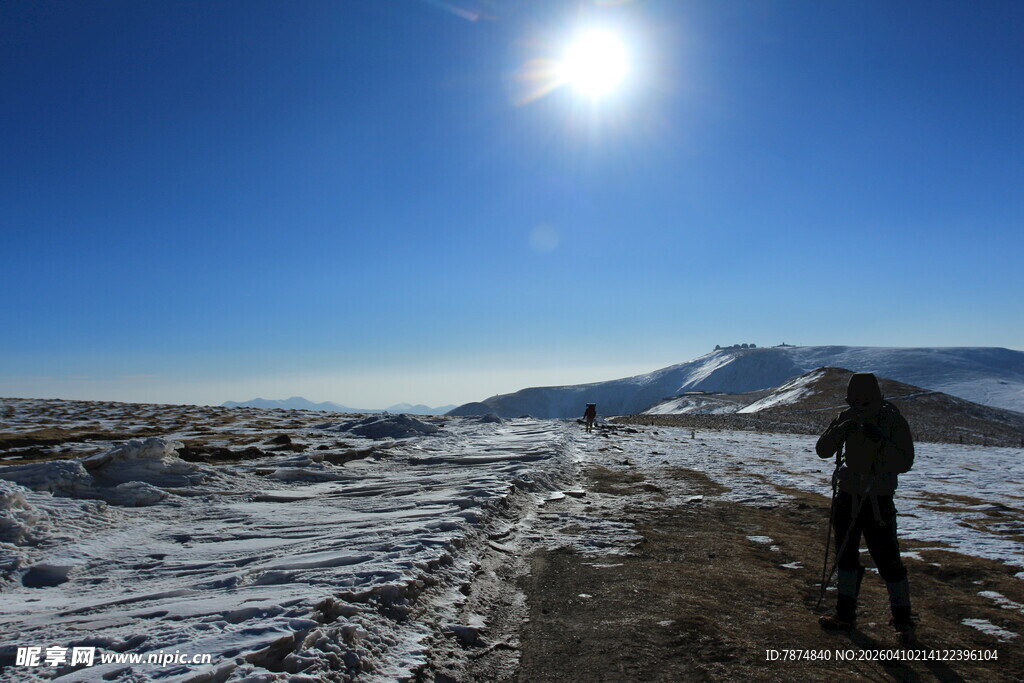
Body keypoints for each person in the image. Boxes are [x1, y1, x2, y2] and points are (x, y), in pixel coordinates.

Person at [815, 372, 916, 644]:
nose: (859, 406)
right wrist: (840, 430)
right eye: (854, 400)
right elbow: (823, 450)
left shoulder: (892, 420)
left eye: (864, 401)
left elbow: (905, 461)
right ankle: (844, 615)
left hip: (877, 499)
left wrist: (879, 440)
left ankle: (903, 621)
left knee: (887, 560)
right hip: (848, 496)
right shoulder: (845, 417)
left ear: (877, 397)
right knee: (845, 556)